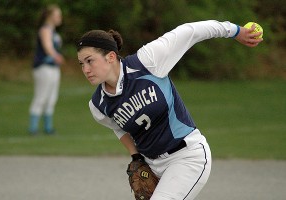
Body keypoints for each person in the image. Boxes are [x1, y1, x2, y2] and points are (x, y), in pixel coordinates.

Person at [76, 20, 262, 199]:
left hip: (187, 156)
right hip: (152, 166)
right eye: (81, 64)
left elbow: (191, 31)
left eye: (89, 60)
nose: (85, 69)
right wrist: (136, 157)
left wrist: (235, 31)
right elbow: (119, 128)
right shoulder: (98, 105)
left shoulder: (147, 61)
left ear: (110, 56)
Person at [29, 4, 64, 135]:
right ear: (49, 16)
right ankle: (33, 128)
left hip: (53, 68)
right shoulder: (45, 29)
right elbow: (48, 47)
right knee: (41, 97)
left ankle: (48, 127)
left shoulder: (54, 31)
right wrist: (56, 56)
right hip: (44, 67)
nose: (60, 17)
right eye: (57, 15)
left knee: (51, 98)